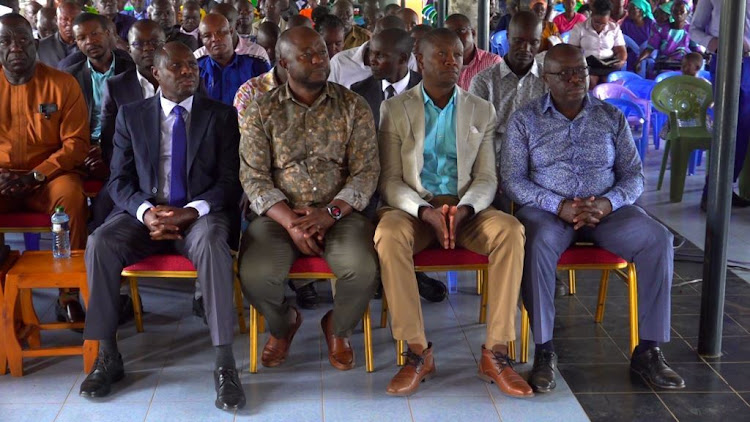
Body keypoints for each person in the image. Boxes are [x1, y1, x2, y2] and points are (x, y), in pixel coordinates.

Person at [501, 43, 686, 393]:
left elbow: (633, 174)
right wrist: (558, 205)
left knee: (656, 238)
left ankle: (649, 350)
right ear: (546, 78)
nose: (575, 79)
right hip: (548, 213)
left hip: (607, 211)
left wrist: (607, 202)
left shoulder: (610, 116)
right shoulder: (524, 119)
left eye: (581, 71)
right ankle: (544, 350)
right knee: (536, 242)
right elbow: (512, 179)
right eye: (565, 73)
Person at [80, 42, 245, 410]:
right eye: (177, 66)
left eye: (192, 65)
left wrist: (192, 210)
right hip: (145, 216)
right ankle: (107, 355)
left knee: (212, 242)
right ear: (156, 73)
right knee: (100, 242)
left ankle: (224, 364)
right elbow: (118, 180)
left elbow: (230, 182)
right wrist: (146, 213)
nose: (188, 71)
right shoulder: (131, 115)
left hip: (199, 216)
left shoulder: (220, 116)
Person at [375, 28, 532, 399]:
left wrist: (465, 208)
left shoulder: (481, 108)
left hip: (467, 208)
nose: (452, 62)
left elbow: (487, 177)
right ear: (420, 61)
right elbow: (391, 180)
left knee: (510, 230)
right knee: (389, 233)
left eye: (457, 56)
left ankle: (496, 352)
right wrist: (424, 210)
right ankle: (416, 352)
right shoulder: (394, 108)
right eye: (442, 55)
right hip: (415, 208)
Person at [238, 26, 380, 372]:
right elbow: (253, 176)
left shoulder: (353, 105)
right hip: (278, 217)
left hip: (341, 213)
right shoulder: (261, 110)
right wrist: (293, 223)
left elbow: (366, 172)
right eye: (307, 55)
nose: (319, 59)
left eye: (321, 52)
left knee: (362, 270)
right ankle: (283, 323)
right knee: (255, 275)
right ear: (285, 63)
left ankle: (338, 327)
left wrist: (329, 213)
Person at [0, 13, 89, 325]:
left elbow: (77, 143)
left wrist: (38, 174)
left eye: (23, 40)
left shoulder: (62, 83)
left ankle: (69, 293)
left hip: (49, 178)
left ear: (36, 43)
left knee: (73, 198)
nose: (15, 48)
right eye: (6, 41)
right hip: (3, 180)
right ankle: (3, 297)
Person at [96, 20, 167, 229]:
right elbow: (108, 141)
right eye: (139, 44)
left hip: (176, 170)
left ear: (165, 43)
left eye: (154, 42)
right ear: (127, 48)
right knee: (102, 208)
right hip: (132, 172)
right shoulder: (116, 86)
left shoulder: (182, 81)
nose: (147, 49)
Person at [470, 11, 547, 178]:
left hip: (539, 167)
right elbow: (475, 136)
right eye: (518, 41)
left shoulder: (548, 80)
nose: (526, 49)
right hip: (495, 166)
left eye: (533, 42)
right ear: (507, 37)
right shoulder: (484, 82)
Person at [690, 0, 750, 210]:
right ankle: (713, 193)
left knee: (744, 129)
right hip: (725, 58)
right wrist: (712, 42)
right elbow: (694, 29)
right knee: (727, 128)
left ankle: (726, 189)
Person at [63, 13, 135, 145]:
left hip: (123, 144)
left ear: (107, 34)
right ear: (76, 43)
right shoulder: (71, 77)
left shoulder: (130, 70)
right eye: (82, 38)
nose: (90, 41)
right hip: (85, 145)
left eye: (95, 34)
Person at [351, 28, 420, 129]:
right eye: (371, 53)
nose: (372, 61)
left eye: (380, 56)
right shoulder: (360, 92)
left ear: (402, 59)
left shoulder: (426, 89)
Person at [197, 13, 270, 104]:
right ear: (201, 39)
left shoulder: (256, 66)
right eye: (207, 36)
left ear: (231, 32)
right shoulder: (196, 69)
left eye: (220, 32)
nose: (215, 39)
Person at [328, 15, 417, 88]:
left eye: (388, 41)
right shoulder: (340, 62)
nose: (381, 43)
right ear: (371, 34)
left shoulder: (408, 59)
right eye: (378, 37)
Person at [568, 0, 627, 86]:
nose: (599, 26)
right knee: (591, 81)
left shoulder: (614, 28)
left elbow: (621, 50)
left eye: (603, 24)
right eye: (597, 22)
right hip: (588, 64)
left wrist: (621, 60)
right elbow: (572, 51)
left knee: (608, 81)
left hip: (608, 64)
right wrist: (579, 63)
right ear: (592, 15)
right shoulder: (579, 28)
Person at [194, 3, 269, 64]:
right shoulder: (199, 57)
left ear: (237, 23)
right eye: (213, 21)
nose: (219, 26)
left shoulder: (256, 54)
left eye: (226, 21)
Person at [637, 0, 697, 75]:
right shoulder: (660, 29)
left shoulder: (691, 30)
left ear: (687, 13)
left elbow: (697, 50)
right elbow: (650, 48)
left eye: (682, 11)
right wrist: (639, 60)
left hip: (684, 68)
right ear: (671, 13)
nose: (678, 13)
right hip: (664, 66)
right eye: (675, 10)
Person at [445, 13, 501, 90]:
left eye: (460, 31)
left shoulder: (493, 63)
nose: (455, 36)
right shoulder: (442, 63)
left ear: (473, 33)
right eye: (449, 33)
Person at [37, 0, 81, 67]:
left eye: (74, 19)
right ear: (56, 20)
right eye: (64, 19)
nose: (69, 24)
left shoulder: (87, 44)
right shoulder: (42, 47)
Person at [621, 0, 655, 72]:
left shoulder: (650, 23)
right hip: (630, 53)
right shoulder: (627, 23)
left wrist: (640, 57)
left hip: (647, 54)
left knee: (643, 59)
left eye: (632, 8)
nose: (628, 11)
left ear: (641, 12)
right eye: (628, 8)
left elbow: (653, 44)